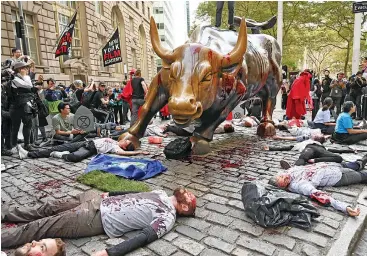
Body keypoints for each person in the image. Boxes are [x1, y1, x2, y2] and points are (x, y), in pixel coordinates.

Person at [1, 188, 197, 256]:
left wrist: (109, 252)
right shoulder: (162, 193)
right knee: (48, 207)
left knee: (41, 226)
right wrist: (110, 193)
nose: (188, 193)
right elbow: (135, 194)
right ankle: (6, 213)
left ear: (185, 208)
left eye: (190, 197)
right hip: (98, 198)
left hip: (96, 218)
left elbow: (144, 237)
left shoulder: (168, 217)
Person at [268, 155, 367, 216]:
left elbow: (292, 169)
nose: (286, 177)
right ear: (284, 187)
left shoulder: (289, 171)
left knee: (357, 165)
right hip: (339, 176)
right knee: (363, 175)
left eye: (283, 176)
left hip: (332, 166)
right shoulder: (298, 185)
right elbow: (318, 194)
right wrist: (345, 207)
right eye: (285, 181)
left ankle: (362, 160)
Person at [17, 136, 149, 162]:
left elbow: (125, 154)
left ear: (125, 146)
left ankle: (60, 155)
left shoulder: (116, 148)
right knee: (57, 146)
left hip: (90, 149)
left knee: (75, 157)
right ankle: (28, 154)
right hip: (85, 143)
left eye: (125, 141)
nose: (124, 140)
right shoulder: (115, 140)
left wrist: (139, 152)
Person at [7, 61, 39, 151]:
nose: (26, 70)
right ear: (20, 70)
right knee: (16, 127)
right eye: (25, 68)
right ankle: (14, 145)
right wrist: (25, 75)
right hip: (19, 106)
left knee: (28, 125)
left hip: (25, 104)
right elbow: (28, 85)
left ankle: (28, 144)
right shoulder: (15, 79)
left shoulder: (24, 78)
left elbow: (31, 88)